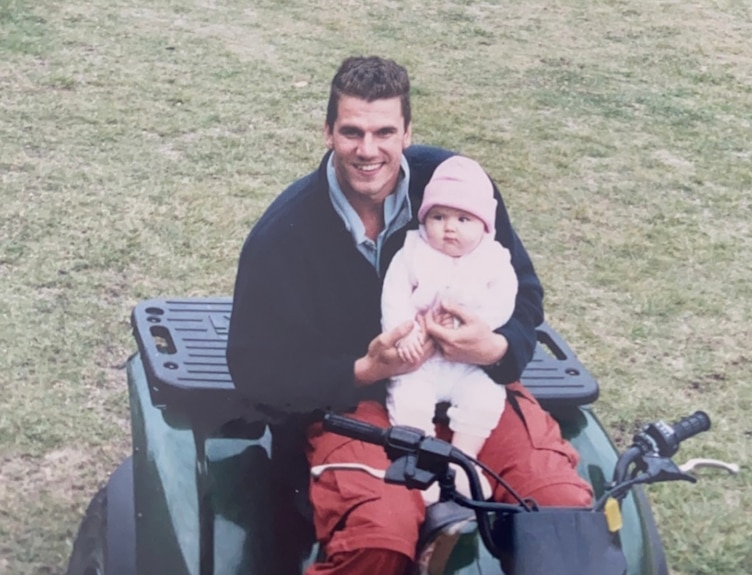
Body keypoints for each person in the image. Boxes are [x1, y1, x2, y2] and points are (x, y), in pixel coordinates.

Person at [227, 55, 593, 575]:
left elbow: (524, 293)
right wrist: (365, 370)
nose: (368, 150)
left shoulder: (458, 188)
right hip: (361, 405)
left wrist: (496, 348)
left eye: (384, 132)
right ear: (327, 132)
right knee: (378, 541)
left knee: (563, 515)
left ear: (407, 132)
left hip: (475, 382)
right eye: (351, 132)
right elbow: (256, 371)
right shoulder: (282, 236)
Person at [382, 154, 516, 503]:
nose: (449, 227)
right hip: (422, 357)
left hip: (467, 361)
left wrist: (481, 329)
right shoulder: (412, 251)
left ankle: (463, 462)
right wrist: (405, 332)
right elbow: (394, 294)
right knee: (408, 399)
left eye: (463, 218)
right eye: (438, 217)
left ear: (485, 225)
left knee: (486, 398)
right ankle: (422, 464)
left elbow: (505, 299)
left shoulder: (494, 259)